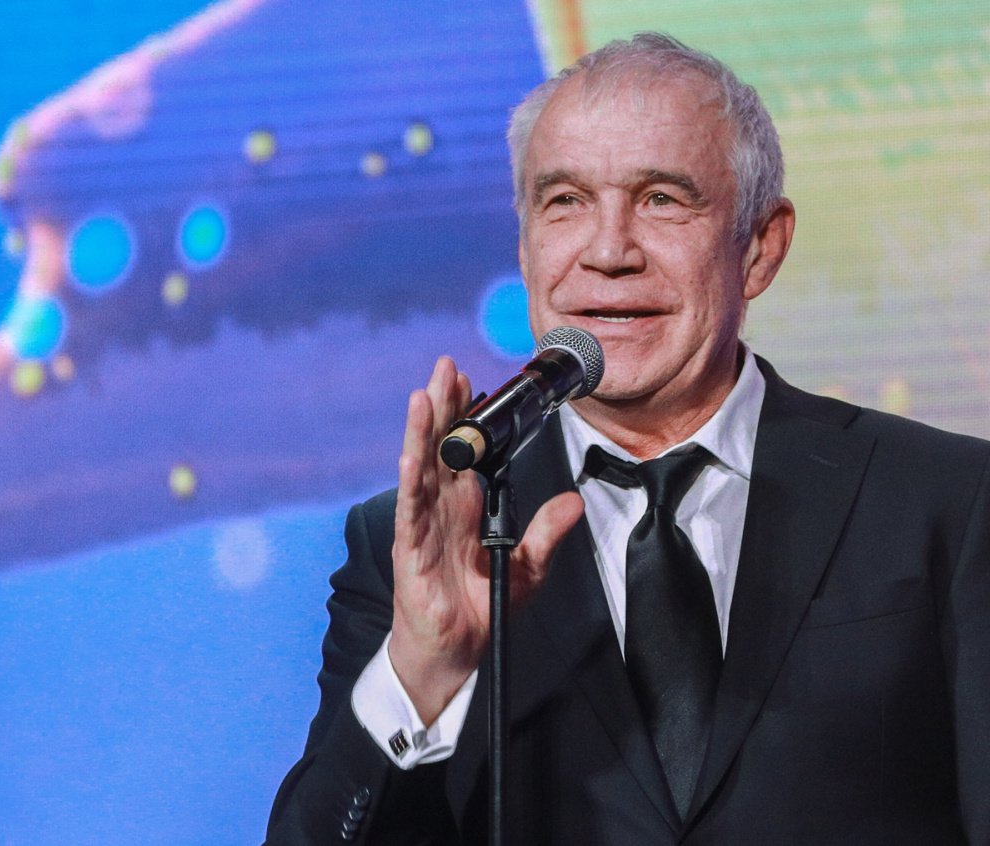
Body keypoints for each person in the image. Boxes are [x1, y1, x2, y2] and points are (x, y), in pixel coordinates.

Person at [265, 33, 990, 844]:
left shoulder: (950, 503)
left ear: (760, 248)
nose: (609, 252)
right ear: (525, 247)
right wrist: (422, 672)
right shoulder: (414, 545)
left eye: (662, 199)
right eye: (565, 202)